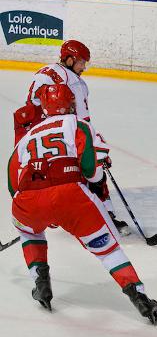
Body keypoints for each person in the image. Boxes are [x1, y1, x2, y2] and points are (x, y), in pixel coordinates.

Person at [8, 84, 157, 324]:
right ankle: (139, 297)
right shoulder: (77, 123)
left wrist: (44, 209)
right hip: (70, 196)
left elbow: (12, 184)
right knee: (108, 250)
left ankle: (41, 285)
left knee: (29, 231)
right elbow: (91, 171)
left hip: (27, 200)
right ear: (71, 104)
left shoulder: (27, 136)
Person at [13, 40, 130, 236]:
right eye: (81, 62)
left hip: (34, 136)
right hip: (62, 133)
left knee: (38, 176)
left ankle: (44, 215)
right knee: (89, 170)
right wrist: (96, 148)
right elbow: (83, 122)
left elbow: (31, 107)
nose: (84, 67)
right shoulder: (75, 83)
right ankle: (105, 215)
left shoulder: (44, 71)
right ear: (69, 59)